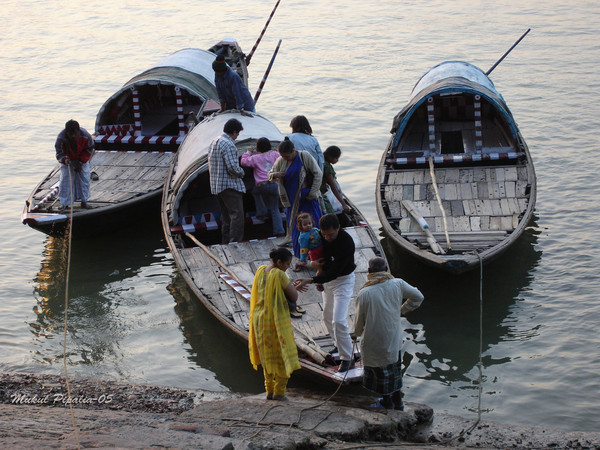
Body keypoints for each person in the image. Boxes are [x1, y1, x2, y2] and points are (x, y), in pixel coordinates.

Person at [352, 257, 424, 410]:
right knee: (394, 369)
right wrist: (402, 310)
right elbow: (418, 297)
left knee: (381, 372)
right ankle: (398, 402)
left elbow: (359, 321)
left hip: (374, 339)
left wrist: (355, 334)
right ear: (386, 270)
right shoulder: (398, 283)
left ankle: (386, 402)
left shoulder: (365, 293)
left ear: (369, 272)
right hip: (393, 336)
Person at [294, 214, 356, 372]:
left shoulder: (346, 243)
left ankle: (347, 357)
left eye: (331, 234)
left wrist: (312, 280)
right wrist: (312, 263)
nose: (327, 237)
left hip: (343, 280)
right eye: (324, 234)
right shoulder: (317, 235)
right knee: (327, 316)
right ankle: (338, 344)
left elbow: (336, 271)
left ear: (338, 229)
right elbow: (313, 254)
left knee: (339, 320)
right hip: (326, 280)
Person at [248, 247, 304, 400]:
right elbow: (293, 296)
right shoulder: (279, 274)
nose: (288, 267)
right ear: (279, 262)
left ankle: (269, 391)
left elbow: (270, 292)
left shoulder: (261, 270)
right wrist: (294, 287)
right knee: (281, 355)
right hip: (274, 320)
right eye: (287, 264)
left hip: (259, 320)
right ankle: (279, 393)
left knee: (268, 356)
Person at [268, 137, 322, 258]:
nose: (285, 158)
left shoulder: (304, 156)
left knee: (312, 226)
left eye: (287, 156)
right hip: (291, 199)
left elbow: (318, 173)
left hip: (306, 197)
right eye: (283, 156)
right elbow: (270, 174)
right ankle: (300, 257)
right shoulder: (281, 161)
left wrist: (312, 193)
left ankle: (317, 255)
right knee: (297, 228)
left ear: (293, 150)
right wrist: (275, 174)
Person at [208, 118, 246, 243]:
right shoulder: (229, 145)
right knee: (237, 216)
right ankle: (235, 242)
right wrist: (242, 173)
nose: (237, 137)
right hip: (230, 186)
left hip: (217, 186)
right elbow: (232, 167)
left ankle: (225, 242)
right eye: (237, 134)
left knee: (226, 218)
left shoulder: (215, 141)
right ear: (234, 132)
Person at [240, 137, 284, 236]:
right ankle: (279, 231)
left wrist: (247, 152)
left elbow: (244, 162)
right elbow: (282, 158)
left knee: (255, 192)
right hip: (274, 185)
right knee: (274, 209)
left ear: (258, 148)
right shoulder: (275, 155)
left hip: (261, 186)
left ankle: (262, 213)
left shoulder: (256, 158)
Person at [55, 119, 94, 210]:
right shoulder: (61, 138)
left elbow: (89, 149)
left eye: (75, 133)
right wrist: (66, 160)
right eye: (70, 134)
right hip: (68, 161)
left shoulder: (86, 136)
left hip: (82, 160)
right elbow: (59, 153)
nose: (73, 136)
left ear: (78, 131)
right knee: (66, 180)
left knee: (84, 180)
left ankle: (84, 202)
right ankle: (65, 203)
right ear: (66, 132)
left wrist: (81, 161)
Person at [294, 213, 324, 292]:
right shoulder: (303, 236)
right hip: (314, 252)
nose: (308, 225)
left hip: (321, 249)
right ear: (300, 226)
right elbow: (303, 249)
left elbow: (321, 233)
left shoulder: (314, 229)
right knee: (319, 268)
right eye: (305, 224)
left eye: (309, 223)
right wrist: (303, 259)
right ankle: (318, 282)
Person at [320, 145, 351, 215]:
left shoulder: (321, 161)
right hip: (320, 193)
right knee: (331, 214)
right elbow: (334, 188)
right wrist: (343, 204)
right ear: (330, 157)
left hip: (320, 189)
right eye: (337, 158)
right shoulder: (327, 167)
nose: (337, 160)